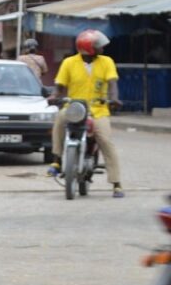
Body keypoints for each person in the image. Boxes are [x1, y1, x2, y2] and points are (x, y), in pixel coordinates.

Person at [47, 29, 125, 198]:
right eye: (99, 46)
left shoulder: (107, 62)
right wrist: (54, 97)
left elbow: (113, 84)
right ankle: (57, 160)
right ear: (89, 49)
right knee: (60, 119)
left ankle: (116, 183)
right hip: (75, 108)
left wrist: (114, 99)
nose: (102, 49)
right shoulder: (69, 62)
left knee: (105, 139)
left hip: (98, 110)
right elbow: (60, 86)